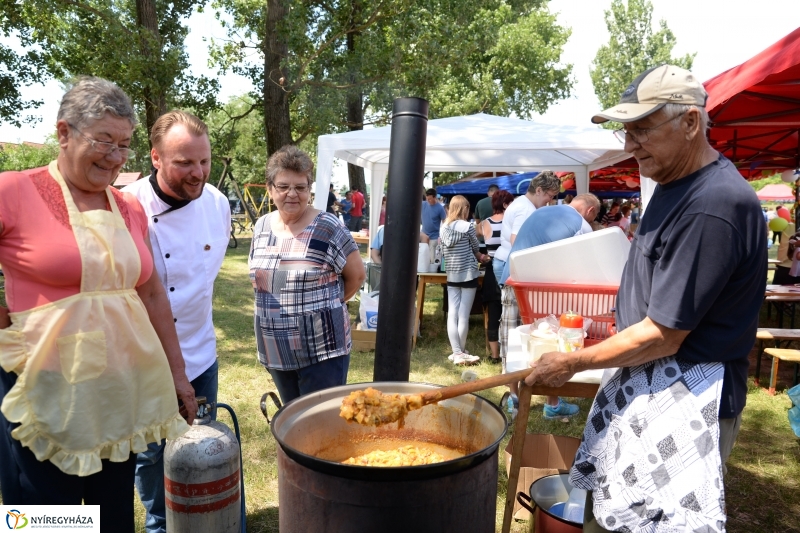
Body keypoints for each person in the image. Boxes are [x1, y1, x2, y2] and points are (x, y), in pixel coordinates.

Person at [525, 65, 766, 532]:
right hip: (648, 386)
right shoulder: (674, 185)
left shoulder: (714, 204)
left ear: (691, 123)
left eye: (640, 131)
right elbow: (663, 299)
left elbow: (665, 333)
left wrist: (573, 362)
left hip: (685, 402)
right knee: (612, 517)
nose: (628, 145)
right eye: (625, 132)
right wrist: (610, 328)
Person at [0, 77, 190, 530]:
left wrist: (179, 374)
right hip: (44, 384)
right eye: (103, 141)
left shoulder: (130, 207)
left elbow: (150, 293)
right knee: (46, 516)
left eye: (124, 145)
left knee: (111, 515)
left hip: (116, 391)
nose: (115, 156)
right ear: (64, 133)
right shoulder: (12, 191)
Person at [124, 110, 230, 533]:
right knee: (151, 456)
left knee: (201, 444)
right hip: (143, 360)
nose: (198, 172)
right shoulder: (129, 206)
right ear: (154, 157)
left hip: (200, 352)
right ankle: (159, 525)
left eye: (203, 161)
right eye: (184, 162)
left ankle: (209, 520)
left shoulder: (217, 203)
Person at [249, 146, 365, 403]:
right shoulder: (261, 227)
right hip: (275, 348)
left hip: (321, 350)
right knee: (292, 424)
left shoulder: (328, 227)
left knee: (320, 429)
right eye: (283, 186)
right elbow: (268, 280)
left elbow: (356, 276)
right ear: (270, 189)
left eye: (300, 187)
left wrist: (323, 308)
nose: (292, 194)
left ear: (309, 189)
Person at [499, 194, 600, 419]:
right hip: (541, 289)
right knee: (552, 340)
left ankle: (513, 399)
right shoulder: (581, 225)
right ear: (591, 211)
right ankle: (552, 404)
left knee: (513, 342)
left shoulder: (543, 211)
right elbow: (587, 266)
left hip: (512, 278)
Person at [440, 195, 490, 365]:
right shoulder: (468, 226)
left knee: (452, 314)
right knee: (463, 315)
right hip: (468, 273)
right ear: (464, 209)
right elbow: (476, 247)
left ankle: (457, 352)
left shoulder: (444, 226)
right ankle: (459, 352)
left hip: (452, 273)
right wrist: (482, 256)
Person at [491, 171, 561, 284]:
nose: (550, 200)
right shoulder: (526, 209)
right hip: (510, 265)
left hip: (505, 261)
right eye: (550, 196)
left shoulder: (522, 203)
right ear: (538, 190)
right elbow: (517, 242)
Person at [480, 190, 515, 364]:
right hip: (509, 267)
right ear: (506, 204)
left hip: (491, 269)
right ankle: (510, 353)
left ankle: (494, 355)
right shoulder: (512, 223)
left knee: (494, 312)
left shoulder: (485, 224)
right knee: (511, 311)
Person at [421, 188, 447, 269]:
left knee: (432, 259)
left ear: (435, 197)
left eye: (430, 199)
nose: (428, 201)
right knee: (423, 257)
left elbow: (444, 221)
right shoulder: (423, 204)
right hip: (424, 235)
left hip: (434, 236)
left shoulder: (440, 208)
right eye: (427, 199)